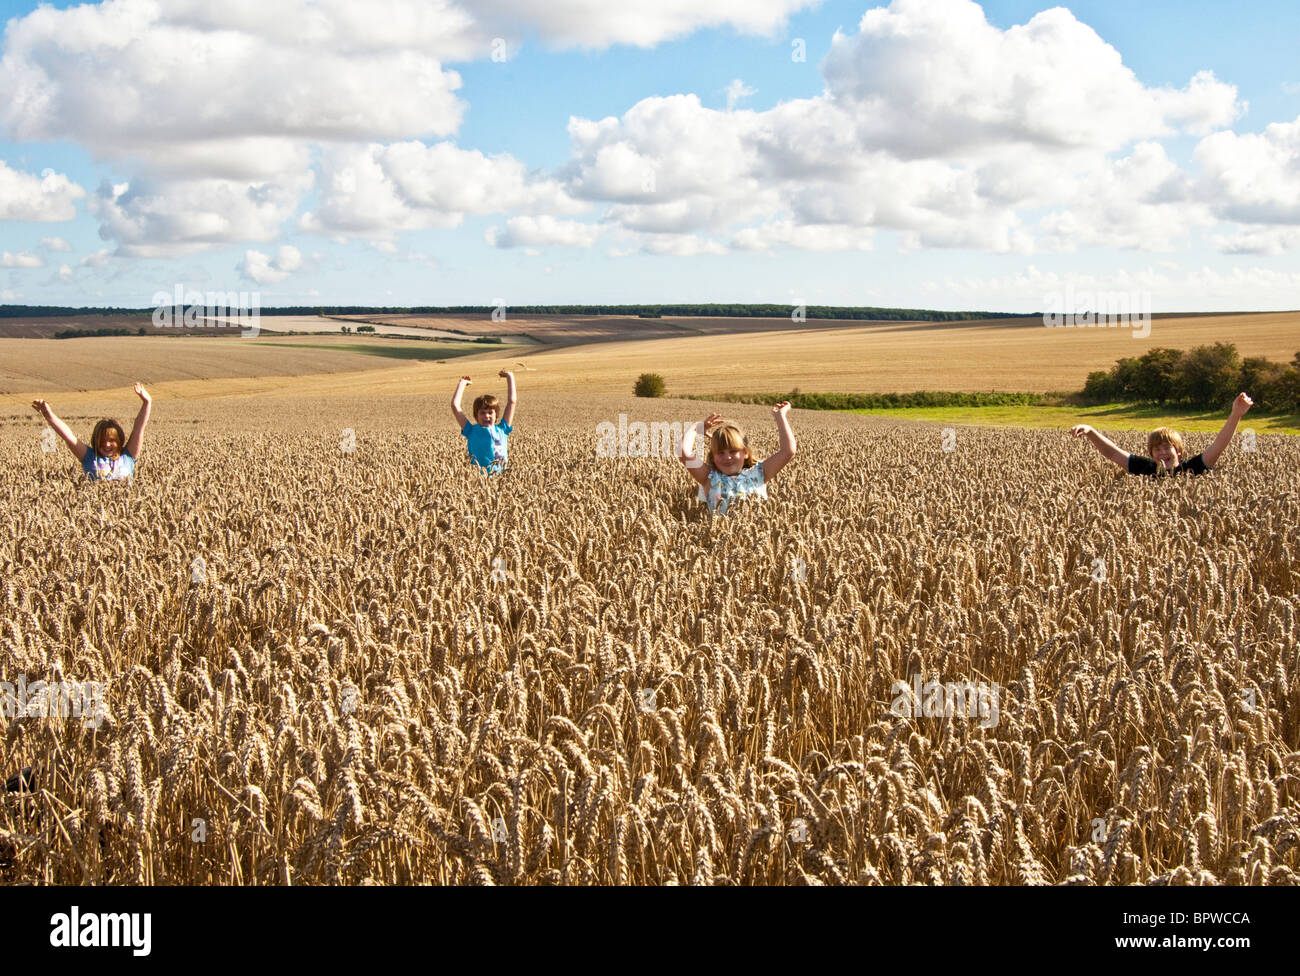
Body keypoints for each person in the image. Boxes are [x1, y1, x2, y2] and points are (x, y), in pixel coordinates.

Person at [1070, 392, 1253, 476]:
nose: (1162, 452)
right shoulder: (1146, 469)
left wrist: (1235, 414)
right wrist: (1090, 431)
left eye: (1167, 447)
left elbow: (1218, 446)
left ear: (1178, 451)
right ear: (1151, 455)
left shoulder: (1193, 468)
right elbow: (1113, 453)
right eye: (1156, 449)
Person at [679, 402, 796, 513]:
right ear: (713, 457)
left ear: (745, 453)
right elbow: (684, 453)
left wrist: (780, 416)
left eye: (733, 451)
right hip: (719, 533)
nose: (727, 457)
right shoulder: (709, 477)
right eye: (720, 453)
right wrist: (696, 428)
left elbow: (788, 451)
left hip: (758, 533)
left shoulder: (759, 473)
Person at [32, 383, 152, 481]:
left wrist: (147, 402)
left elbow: (138, 429)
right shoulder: (89, 457)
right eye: (102, 440)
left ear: (119, 440)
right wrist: (48, 414)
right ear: (95, 440)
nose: (106, 444)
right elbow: (68, 436)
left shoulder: (128, 456)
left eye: (111, 440)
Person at [451, 370, 516, 474]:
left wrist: (510, 377)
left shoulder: (502, 429)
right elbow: (455, 406)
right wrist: (462, 383)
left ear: (496, 415)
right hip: (479, 481)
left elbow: (512, 402)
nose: (486, 416)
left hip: (503, 479)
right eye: (482, 413)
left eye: (490, 412)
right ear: (476, 415)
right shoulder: (471, 431)